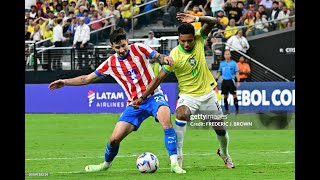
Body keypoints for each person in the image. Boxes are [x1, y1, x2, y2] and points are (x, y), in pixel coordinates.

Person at [48, 28, 186, 174]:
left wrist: (165, 58)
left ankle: (174, 164)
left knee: (166, 122)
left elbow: (157, 56)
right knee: (114, 139)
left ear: (127, 42)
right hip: (134, 105)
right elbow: (87, 78)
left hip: (154, 96)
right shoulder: (110, 63)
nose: (121, 49)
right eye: (117, 47)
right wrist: (65, 82)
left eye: (123, 45)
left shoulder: (139, 48)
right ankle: (105, 164)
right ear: (112, 47)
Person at [132, 13, 235, 169]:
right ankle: (179, 156)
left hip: (207, 94)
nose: (186, 44)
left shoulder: (200, 39)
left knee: (220, 129)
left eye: (189, 40)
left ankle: (224, 153)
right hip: (188, 96)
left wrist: (196, 19)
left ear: (195, 37)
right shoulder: (174, 55)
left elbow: (214, 21)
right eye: (183, 41)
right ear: (178, 39)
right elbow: (158, 78)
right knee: (181, 114)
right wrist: (142, 97)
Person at [215, 49, 240, 115]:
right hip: (224, 81)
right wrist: (216, 80)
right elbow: (219, 72)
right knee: (225, 96)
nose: (227, 55)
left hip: (231, 81)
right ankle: (226, 110)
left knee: (234, 95)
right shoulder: (222, 64)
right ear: (224, 55)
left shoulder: (234, 63)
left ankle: (237, 110)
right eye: (226, 54)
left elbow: (237, 72)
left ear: (230, 55)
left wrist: (238, 81)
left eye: (228, 54)